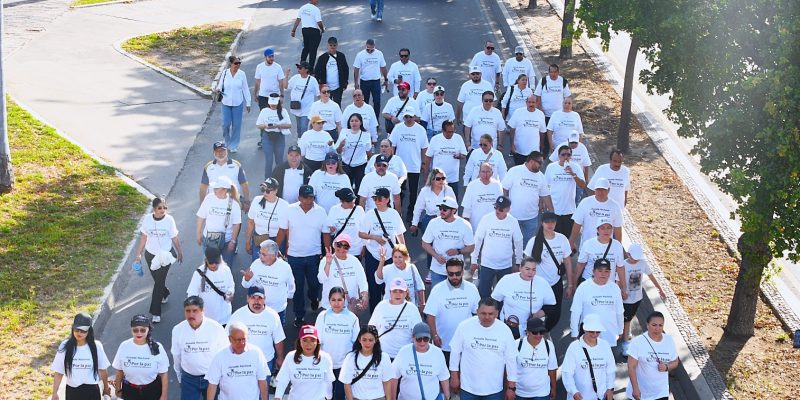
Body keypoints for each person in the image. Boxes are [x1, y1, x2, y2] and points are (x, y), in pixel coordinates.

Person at [276, 184, 331, 327]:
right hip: (294, 256)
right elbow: (282, 230)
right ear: (299, 198)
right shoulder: (289, 210)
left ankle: (313, 298)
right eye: (306, 197)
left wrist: (328, 251)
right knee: (297, 287)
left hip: (314, 256)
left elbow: (325, 233)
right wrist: (275, 247)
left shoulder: (321, 212)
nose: (309, 200)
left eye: (311, 197)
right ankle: (299, 316)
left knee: (315, 284)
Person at [449, 297, 518, 400]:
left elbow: (511, 359)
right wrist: (454, 376)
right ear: (477, 311)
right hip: (468, 388)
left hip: (494, 389)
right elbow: (455, 352)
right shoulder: (464, 327)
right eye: (483, 313)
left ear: (497, 313)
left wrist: (511, 387)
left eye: (491, 314)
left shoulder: (505, 330)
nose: (487, 317)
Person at [133, 196, 182, 324]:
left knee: (159, 283)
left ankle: (155, 312)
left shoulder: (169, 220)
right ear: (154, 209)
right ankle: (165, 293)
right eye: (160, 208)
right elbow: (144, 237)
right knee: (157, 279)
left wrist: (179, 252)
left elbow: (175, 238)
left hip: (165, 256)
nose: (163, 210)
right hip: (150, 255)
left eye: (164, 207)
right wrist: (138, 254)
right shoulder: (148, 219)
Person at [171, 296, 228, 400]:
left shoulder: (216, 328)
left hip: (212, 378)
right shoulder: (178, 330)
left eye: (195, 311)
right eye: (188, 311)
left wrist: (223, 377)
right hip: (189, 379)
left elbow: (225, 354)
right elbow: (176, 356)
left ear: (203, 311)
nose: (191, 314)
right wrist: (180, 377)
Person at [424, 259, 480, 363]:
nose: (454, 277)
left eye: (457, 273)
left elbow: (477, 314)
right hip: (443, 344)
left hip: (466, 345)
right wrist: (435, 335)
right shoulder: (437, 290)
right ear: (446, 272)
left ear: (463, 272)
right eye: (451, 274)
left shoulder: (472, 289)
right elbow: (430, 315)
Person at [359, 187, 407, 311]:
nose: (376, 201)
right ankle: (375, 315)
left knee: (390, 285)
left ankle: (389, 312)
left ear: (387, 199)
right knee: (373, 286)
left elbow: (399, 234)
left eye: (379, 198)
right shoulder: (369, 214)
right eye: (375, 198)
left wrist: (405, 253)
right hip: (373, 255)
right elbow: (361, 233)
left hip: (391, 256)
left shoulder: (394, 214)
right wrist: (374, 237)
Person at [524, 212, 573, 331]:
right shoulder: (534, 241)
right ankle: (536, 333)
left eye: (553, 221)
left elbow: (568, 262)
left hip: (555, 282)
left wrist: (570, 285)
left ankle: (545, 331)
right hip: (537, 283)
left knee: (555, 314)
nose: (550, 224)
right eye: (547, 222)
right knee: (535, 311)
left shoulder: (562, 240)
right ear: (542, 223)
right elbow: (526, 263)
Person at [470, 195, 523, 298]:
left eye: (501, 209)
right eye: (496, 207)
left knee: (503, 296)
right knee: (483, 295)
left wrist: (518, 262)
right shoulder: (486, 219)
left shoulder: (513, 222)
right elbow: (477, 240)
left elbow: (518, 241)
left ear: (508, 209)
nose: (497, 210)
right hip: (487, 265)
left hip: (505, 266)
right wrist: (473, 260)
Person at [50, 312, 111, 400]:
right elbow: (59, 372)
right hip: (72, 392)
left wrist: (106, 387)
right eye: (76, 329)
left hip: (92, 391)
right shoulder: (65, 346)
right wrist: (54, 393)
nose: (79, 333)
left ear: (89, 331)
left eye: (83, 330)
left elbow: (103, 369)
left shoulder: (96, 346)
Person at [491, 257, 555, 339]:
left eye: (533, 269)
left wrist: (537, 315)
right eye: (527, 269)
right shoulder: (507, 280)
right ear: (520, 268)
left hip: (532, 329)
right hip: (509, 326)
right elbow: (495, 301)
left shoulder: (543, 283)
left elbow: (551, 306)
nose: (530, 272)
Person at [620, 244, 666, 356]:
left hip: (637, 297)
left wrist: (660, 289)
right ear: (628, 254)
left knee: (629, 316)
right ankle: (625, 342)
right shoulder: (623, 265)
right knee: (626, 319)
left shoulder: (642, 263)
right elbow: (618, 280)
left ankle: (626, 331)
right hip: (626, 299)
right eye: (634, 257)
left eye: (637, 258)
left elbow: (651, 275)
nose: (636, 260)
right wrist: (622, 292)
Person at [229, 285, 285, 376]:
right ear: (247, 299)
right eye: (253, 298)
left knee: (264, 388)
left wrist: (280, 358)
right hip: (243, 361)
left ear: (264, 299)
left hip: (265, 361)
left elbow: (278, 339)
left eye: (260, 298)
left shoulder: (273, 316)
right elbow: (227, 337)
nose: (256, 301)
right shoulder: (237, 315)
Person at [315, 287, 360, 400]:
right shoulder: (322, 316)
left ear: (344, 300)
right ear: (329, 300)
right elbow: (317, 341)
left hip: (344, 365)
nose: (336, 303)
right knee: (326, 396)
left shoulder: (352, 318)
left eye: (339, 300)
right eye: (333, 300)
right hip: (326, 364)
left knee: (339, 395)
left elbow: (357, 342)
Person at [206, 322, 270, 400]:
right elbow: (212, 384)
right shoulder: (220, 356)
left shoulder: (256, 353)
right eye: (238, 340)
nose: (242, 343)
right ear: (230, 339)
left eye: (244, 339)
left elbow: (262, 381)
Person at [502, 151, 554, 246]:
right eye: (540, 162)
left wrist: (551, 211)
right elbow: (504, 189)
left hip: (532, 217)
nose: (542, 165)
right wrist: (503, 207)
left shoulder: (541, 177)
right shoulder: (514, 171)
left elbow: (546, 195)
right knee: (508, 243)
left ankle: (524, 260)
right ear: (531, 161)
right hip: (513, 216)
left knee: (528, 244)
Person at [421, 196, 474, 287]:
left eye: (445, 209)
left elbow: (471, 247)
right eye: (440, 208)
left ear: (454, 211)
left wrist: (458, 251)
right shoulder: (433, 223)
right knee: (437, 298)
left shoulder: (464, 225)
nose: (441, 211)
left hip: (456, 272)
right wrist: (436, 256)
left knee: (454, 297)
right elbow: (425, 243)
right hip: (437, 270)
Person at [112, 314, 169, 400]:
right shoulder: (124, 346)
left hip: (152, 390)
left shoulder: (157, 347)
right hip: (130, 390)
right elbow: (119, 370)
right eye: (135, 330)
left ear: (148, 329)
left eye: (142, 330)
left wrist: (163, 396)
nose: (139, 333)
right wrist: (118, 388)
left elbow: (164, 373)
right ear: (131, 330)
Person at [570, 259, 624, 347]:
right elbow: (575, 312)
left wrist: (620, 329)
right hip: (588, 335)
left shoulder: (615, 288)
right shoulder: (583, 287)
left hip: (609, 335)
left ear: (610, 272)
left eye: (606, 271)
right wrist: (574, 333)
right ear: (593, 271)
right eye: (600, 271)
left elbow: (619, 311)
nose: (603, 274)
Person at [626, 312, 679, 400]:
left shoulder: (669, 340)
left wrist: (666, 367)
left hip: (661, 393)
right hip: (640, 393)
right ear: (647, 325)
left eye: (660, 325)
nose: (657, 329)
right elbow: (631, 366)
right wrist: (635, 389)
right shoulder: (638, 342)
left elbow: (675, 361)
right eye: (654, 325)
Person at [410, 169, 457, 267]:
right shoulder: (424, 191)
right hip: (429, 220)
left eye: (443, 178)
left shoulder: (449, 190)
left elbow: (455, 207)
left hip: (446, 220)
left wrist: (455, 222)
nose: (441, 181)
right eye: (438, 179)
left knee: (444, 244)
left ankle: (447, 266)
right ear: (432, 180)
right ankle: (431, 268)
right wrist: (414, 224)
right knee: (430, 247)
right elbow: (418, 208)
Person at [562, 313, 615, 400]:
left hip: (601, 396)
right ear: (584, 329)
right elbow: (567, 372)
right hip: (580, 397)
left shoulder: (605, 345)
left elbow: (610, 369)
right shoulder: (574, 347)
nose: (594, 334)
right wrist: (574, 391)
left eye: (598, 331)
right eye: (591, 331)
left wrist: (610, 388)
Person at [275, 325, 336, 400]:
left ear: (317, 342)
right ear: (299, 341)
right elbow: (283, 380)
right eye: (305, 340)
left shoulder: (325, 358)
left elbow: (328, 381)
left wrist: (329, 397)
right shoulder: (290, 357)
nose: (308, 344)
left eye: (312, 340)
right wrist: (278, 397)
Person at [392, 323, 451, 400]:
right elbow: (393, 377)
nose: (422, 342)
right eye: (419, 339)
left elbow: (444, 378)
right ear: (413, 338)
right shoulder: (403, 352)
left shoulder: (438, 353)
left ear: (430, 338)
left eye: (425, 338)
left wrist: (447, 397)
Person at [242, 240, 296, 324]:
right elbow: (245, 285)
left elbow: (291, 284)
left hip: (278, 309)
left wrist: (289, 296)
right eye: (260, 253)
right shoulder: (256, 264)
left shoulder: (285, 267)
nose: (260, 256)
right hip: (259, 308)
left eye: (264, 254)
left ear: (274, 255)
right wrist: (247, 279)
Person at [368, 278, 423, 358]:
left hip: (406, 356)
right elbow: (371, 329)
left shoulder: (412, 308)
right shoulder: (381, 306)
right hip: (383, 356)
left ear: (406, 293)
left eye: (401, 291)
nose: (398, 294)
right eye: (394, 291)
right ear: (390, 292)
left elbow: (419, 332)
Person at [390, 109, 428, 220]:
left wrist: (424, 163)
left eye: (410, 117)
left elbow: (424, 147)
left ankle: (411, 213)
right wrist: (392, 160)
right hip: (400, 166)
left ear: (414, 117)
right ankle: (398, 212)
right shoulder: (398, 128)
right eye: (406, 117)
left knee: (413, 192)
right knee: (398, 191)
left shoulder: (420, 130)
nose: (408, 119)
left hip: (414, 166)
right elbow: (392, 145)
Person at [196, 176, 242, 268]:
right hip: (209, 239)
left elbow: (236, 224)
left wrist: (232, 241)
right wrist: (198, 233)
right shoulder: (209, 198)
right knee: (208, 266)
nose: (214, 190)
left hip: (226, 241)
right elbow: (201, 216)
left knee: (226, 267)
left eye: (217, 188)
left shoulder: (234, 204)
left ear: (225, 189)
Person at [569, 177, 624, 253]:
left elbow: (617, 228)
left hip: (606, 249)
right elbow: (577, 224)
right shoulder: (585, 202)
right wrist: (571, 241)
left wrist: (619, 247)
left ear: (608, 190)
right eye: (598, 189)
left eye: (603, 190)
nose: (601, 192)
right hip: (586, 247)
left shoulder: (615, 206)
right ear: (594, 190)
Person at [339, 325, 394, 400]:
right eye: (364, 340)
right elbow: (347, 384)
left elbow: (387, 383)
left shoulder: (384, 357)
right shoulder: (351, 357)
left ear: (376, 340)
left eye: (370, 340)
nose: (367, 343)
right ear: (359, 340)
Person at [573, 217, 626, 293]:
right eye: (602, 228)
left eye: (609, 228)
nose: (606, 231)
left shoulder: (617, 245)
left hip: (608, 284)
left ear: (612, 230)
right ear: (597, 230)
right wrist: (573, 284)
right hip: (589, 283)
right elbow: (580, 265)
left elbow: (620, 268)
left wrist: (624, 288)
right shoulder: (588, 244)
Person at [318, 234, 369, 310]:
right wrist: (328, 263)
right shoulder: (325, 260)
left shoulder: (354, 260)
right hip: (330, 307)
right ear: (334, 245)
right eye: (339, 245)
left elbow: (362, 281)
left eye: (346, 246)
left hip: (350, 307)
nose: (342, 248)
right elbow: (321, 280)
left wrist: (364, 295)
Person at [545, 145, 586, 237]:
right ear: (559, 156)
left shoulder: (575, 167)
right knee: (553, 237)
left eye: (568, 154)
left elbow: (583, 185)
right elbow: (545, 187)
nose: (566, 157)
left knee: (567, 238)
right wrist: (545, 204)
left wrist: (573, 174)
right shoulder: (551, 167)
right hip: (554, 210)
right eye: (563, 154)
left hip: (569, 210)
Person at [188, 247, 235, 325]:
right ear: (206, 260)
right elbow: (192, 294)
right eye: (211, 262)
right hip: (206, 318)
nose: (214, 265)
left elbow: (231, 285)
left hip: (224, 316)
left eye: (216, 262)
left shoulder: (226, 270)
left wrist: (230, 293)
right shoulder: (199, 273)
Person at [213, 55, 251, 153]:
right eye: (236, 63)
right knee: (225, 124)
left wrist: (248, 103)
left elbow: (245, 89)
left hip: (238, 103)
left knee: (236, 125)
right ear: (230, 64)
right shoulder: (225, 73)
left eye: (239, 63)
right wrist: (218, 89)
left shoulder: (242, 74)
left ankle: (233, 145)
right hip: (226, 102)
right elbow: (220, 84)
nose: (238, 65)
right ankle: (226, 141)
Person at [246, 178, 289, 261]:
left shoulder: (284, 205)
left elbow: (283, 230)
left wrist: (277, 247)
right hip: (259, 238)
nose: (264, 193)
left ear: (276, 191)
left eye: (268, 191)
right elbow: (251, 222)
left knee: (274, 265)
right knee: (257, 264)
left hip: (276, 240)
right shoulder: (257, 200)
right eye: (263, 189)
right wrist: (247, 242)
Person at [514, 317, 557, 400]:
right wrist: (510, 389)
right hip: (520, 393)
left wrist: (553, 389)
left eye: (541, 332)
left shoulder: (549, 345)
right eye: (535, 332)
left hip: (542, 393)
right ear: (527, 332)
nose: (538, 335)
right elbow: (509, 369)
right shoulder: (516, 344)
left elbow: (552, 369)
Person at [533, 63, 571, 155]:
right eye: (551, 72)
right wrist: (540, 108)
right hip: (546, 114)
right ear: (548, 72)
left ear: (558, 72)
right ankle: (545, 152)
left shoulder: (563, 81)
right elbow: (537, 95)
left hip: (558, 114)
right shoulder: (543, 80)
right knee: (545, 133)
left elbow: (567, 97)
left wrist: (567, 110)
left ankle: (557, 152)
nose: (553, 74)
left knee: (557, 134)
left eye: (555, 72)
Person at [199, 141, 250, 206]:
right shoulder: (208, 167)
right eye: (217, 151)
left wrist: (247, 201)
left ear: (226, 151)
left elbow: (244, 184)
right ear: (213, 152)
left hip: (233, 200)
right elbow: (203, 187)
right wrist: (202, 204)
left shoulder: (236, 165)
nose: (220, 153)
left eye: (223, 151)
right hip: (213, 201)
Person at [376, 244, 426, 309]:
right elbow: (378, 279)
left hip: (409, 307)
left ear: (405, 257)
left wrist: (422, 304)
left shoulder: (412, 268)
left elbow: (420, 287)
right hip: (390, 308)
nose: (397, 260)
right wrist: (382, 261)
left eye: (400, 257)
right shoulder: (387, 269)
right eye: (395, 257)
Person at [424, 120, 466, 195]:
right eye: (448, 132)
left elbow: (464, 155)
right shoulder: (435, 139)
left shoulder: (458, 138)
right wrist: (426, 175)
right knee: (436, 202)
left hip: (453, 178)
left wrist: (459, 156)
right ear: (442, 130)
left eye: (452, 131)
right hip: (437, 179)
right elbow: (428, 157)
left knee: (452, 203)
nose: (450, 134)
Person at [256, 95, 293, 177]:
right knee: (269, 161)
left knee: (279, 161)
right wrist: (266, 126)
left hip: (279, 136)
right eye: (271, 104)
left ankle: (279, 179)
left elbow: (289, 125)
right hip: (267, 136)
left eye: (274, 104)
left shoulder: (283, 111)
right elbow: (258, 125)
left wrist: (277, 126)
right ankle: (268, 181)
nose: (273, 106)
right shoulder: (264, 111)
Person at [336, 113, 374, 193]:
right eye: (352, 121)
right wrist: (341, 145)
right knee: (346, 189)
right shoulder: (344, 132)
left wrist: (370, 164)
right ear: (349, 123)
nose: (354, 123)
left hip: (360, 165)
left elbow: (369, 152)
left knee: (359, 189)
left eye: (356, 121)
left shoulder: (366, 135)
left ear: (361, 122)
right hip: (346, 165)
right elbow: (338, 151)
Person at [461, 163, 504, 233]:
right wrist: (466, 227)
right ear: (479, 173)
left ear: (492, 173)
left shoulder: (497, 185)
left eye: (488, 172)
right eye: (483, 172)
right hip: (476, 225)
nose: (485, 174)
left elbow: (500, 205)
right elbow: (467, 208)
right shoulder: (471, 186)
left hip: (493, 225)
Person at [353, 39, 389, 119]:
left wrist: (386, 79)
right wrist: (356, 82)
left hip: (376, 82)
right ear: (365, 46)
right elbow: (356, 69)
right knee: (364, 102)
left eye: (371, 49)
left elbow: (383, 67)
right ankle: (364, 119)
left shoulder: (379, 54)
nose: (369, 51)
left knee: (377, 102)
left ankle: (376, 120)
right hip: (364, 82)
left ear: (374, 47)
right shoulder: (360, 55)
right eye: (368, 49)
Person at [508, 95, 547, 166]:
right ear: (526, 102)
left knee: (532, 171)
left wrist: (541, 147)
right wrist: (512, 145)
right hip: (519, 149)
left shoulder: (540, 114)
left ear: (537, 103)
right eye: (529, 102)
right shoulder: (518, 112)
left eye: (533, 102)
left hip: (534, 151)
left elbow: (542, 132)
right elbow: (512, 129)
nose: (531, 104)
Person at [327, 188, 367, 257]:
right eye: (349, 201)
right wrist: (332, 230)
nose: (352, 203)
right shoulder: (334, 210)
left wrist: (364, 246)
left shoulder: (359, 210)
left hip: (356, 249)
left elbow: (364, 229)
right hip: (340, 249)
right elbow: (330, 231)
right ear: (341, 201)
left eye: (353, 200)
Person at [287, 62, 321, 136]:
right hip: (296, 107)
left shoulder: (312, 80)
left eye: (300, 68)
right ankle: (300, 140)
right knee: (299, 126)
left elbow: (318, 94)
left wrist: (321, 105)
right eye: (298, 67)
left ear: (306, 70)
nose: (298, 69)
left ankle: (303, 141)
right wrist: (286, 75)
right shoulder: (295, 78)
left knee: (303, 127)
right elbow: (286, 86)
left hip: (307, 109)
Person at [314, 37, 349, 106]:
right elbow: (317, 72)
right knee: (325, 105)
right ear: (327, 45)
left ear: (337, 45)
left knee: (337, 105)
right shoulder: (322, 58)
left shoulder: (341, 56)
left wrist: (345, 82)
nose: (332, 47)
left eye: (334, 45)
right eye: (331, 45)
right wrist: (320, 84)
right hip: (326, 87)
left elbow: (346, 69)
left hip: (338, 87)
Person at [291, 0, 325, 71]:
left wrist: (293, 30)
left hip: (305, 30)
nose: (318, 1)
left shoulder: (303, 8)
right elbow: (319, 22)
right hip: (314, 31)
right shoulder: (316, 9)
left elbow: (298, 19)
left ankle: (301, 64)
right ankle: (310, 68)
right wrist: (322, 29)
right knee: (313, 50)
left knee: (306, 48)